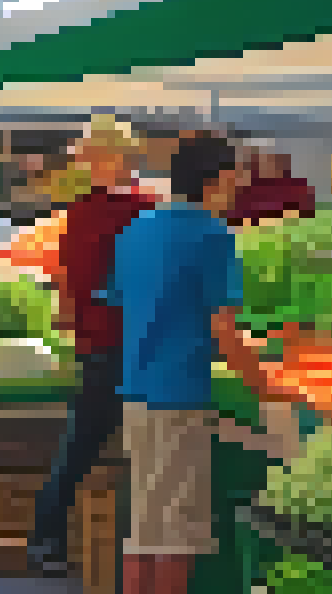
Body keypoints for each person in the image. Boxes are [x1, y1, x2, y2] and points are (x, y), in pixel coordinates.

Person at [102, 133, 288, 594]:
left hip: (136, 389)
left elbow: (128, 303)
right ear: (219, 179)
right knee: (175, 534)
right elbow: (223, 327)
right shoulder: (213, 236)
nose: (244, 181)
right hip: (178, 393)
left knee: (145, 526)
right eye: (239, 172)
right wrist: (265, 387)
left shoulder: (139, 228)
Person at [27, 116, 157, 576]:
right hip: (133, 343)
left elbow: (66, 281)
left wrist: (74, 320)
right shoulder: (145, 208)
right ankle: (119, 547)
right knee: (133, 446)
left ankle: (50, 540)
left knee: (84, 442)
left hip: (103, 342)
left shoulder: (84, 211)